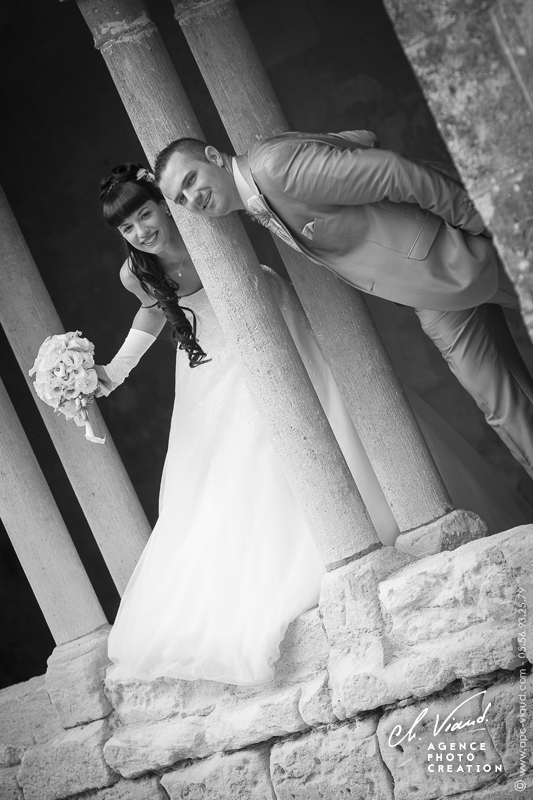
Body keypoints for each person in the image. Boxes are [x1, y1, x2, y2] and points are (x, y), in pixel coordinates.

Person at [98, 164, 531, 686]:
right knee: (232, 468)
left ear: (164, 203)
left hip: (273, 324)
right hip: (214, 365)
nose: (141, 232)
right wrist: (112, 372)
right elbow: (152, 311)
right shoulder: (134, 271)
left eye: (145, 213)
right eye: (127, 228)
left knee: (331, 414)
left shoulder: (203, 218)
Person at [153, 131, 533, 481]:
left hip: (455, 248)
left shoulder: (273, 167)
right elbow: (357, 138)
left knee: (503, 404)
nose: (192, 198)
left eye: (190, 180)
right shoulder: (259, 187)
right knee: (502, 403)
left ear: (213, 157)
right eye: (180, 199)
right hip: (427, 291)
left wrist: (476, 219)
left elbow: (392, 171)